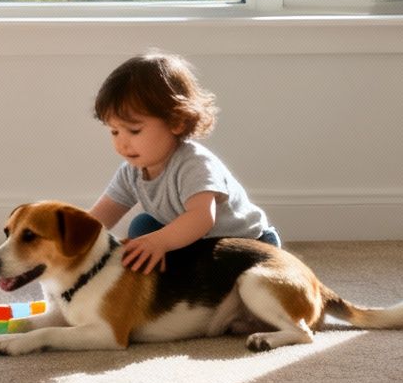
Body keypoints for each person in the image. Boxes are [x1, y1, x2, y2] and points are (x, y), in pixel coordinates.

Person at [87, 51, 279, 274]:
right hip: (198, 244)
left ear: (176, 122)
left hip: (244, 246)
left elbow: (202, 218)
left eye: (134, 130)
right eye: (114, 131)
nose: (122, 143)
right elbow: (104, 213)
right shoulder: (131, 171)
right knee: (143, 226)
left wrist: (159, 242)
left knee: (155, 240)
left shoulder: (194, 165)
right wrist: (72, 238)